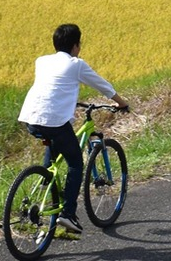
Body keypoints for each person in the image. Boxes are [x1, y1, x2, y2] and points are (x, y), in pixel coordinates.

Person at [18, 23, 132, 236]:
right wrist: (122, 103)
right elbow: (103, 86)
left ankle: (45, 184)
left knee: (54, 141)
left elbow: (53, 87)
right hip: (54, 121)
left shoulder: (41, 61)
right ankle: (68, 214)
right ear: (75, 45)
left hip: (31, 119)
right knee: (76, 163)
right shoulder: (76, 64)